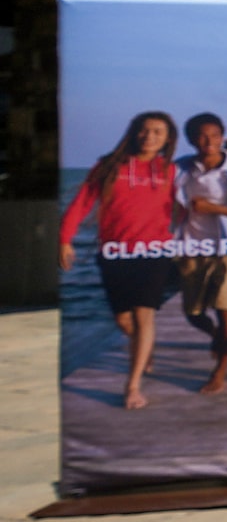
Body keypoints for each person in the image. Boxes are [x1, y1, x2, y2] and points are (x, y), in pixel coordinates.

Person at [59, 111, 182, 409]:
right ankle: (145, 349)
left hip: (154, 252)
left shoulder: (170, 171)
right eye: (144, 130)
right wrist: (64, 238)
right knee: (123, 319)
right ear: (134, 132)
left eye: (157, 132)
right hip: (114, 251)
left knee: (144, 314)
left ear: (167, 139)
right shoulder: (109, 166)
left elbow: (188, 207)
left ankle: (132, 385)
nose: (150, 136)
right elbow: (82, 202)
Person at [176, 113, 227, 382]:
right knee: (193, 313)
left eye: (215, 135)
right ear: (191, 139)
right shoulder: (182, 168)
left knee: (224, 307)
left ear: (222, 136)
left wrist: (213, 208)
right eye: (202, 135)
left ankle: (220, 369)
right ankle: (218, 336)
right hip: (193, 246)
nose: (209, 141)